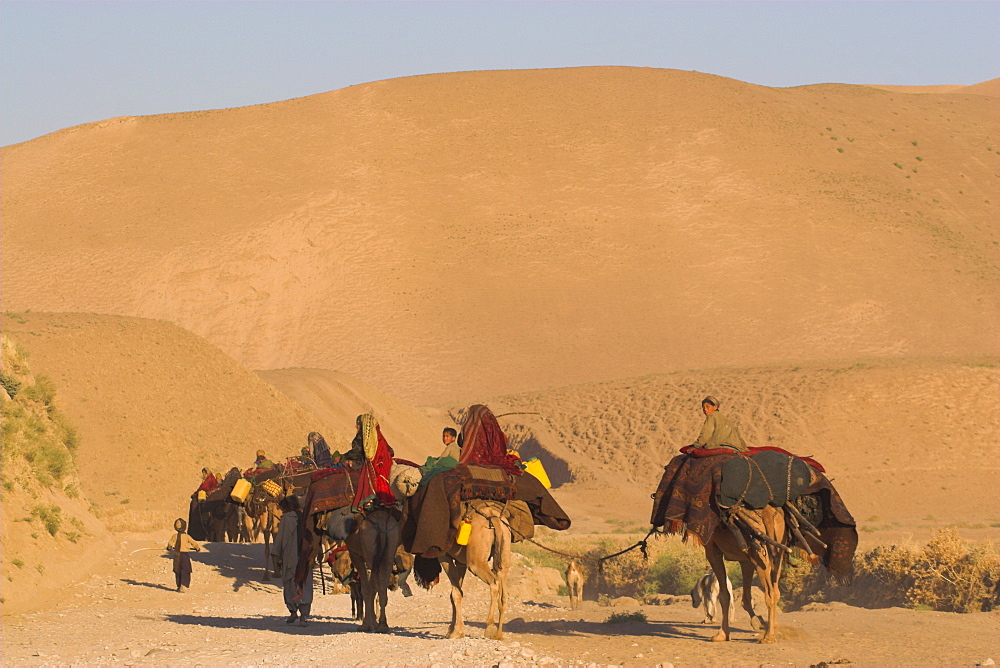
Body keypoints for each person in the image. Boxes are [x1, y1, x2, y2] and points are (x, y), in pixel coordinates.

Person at [275, 494, 312, 626]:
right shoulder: (309, 517)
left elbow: (280, 540)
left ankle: (293, 612)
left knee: (290, 584)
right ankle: (303, 615)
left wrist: (276, 555)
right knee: (304, 583)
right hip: (306, 557)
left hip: (290, 557)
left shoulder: (286, 519)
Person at [165, 518, 202, 592]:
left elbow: (170, 543)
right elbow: (193, 543)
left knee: (177, 569)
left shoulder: (174, 536)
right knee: (185, 569)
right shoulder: (187, 536)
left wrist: (169, 547)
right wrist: (197, 548)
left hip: (177, 554)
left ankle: (179, 585)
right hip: (184, 555)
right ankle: (182, 585)